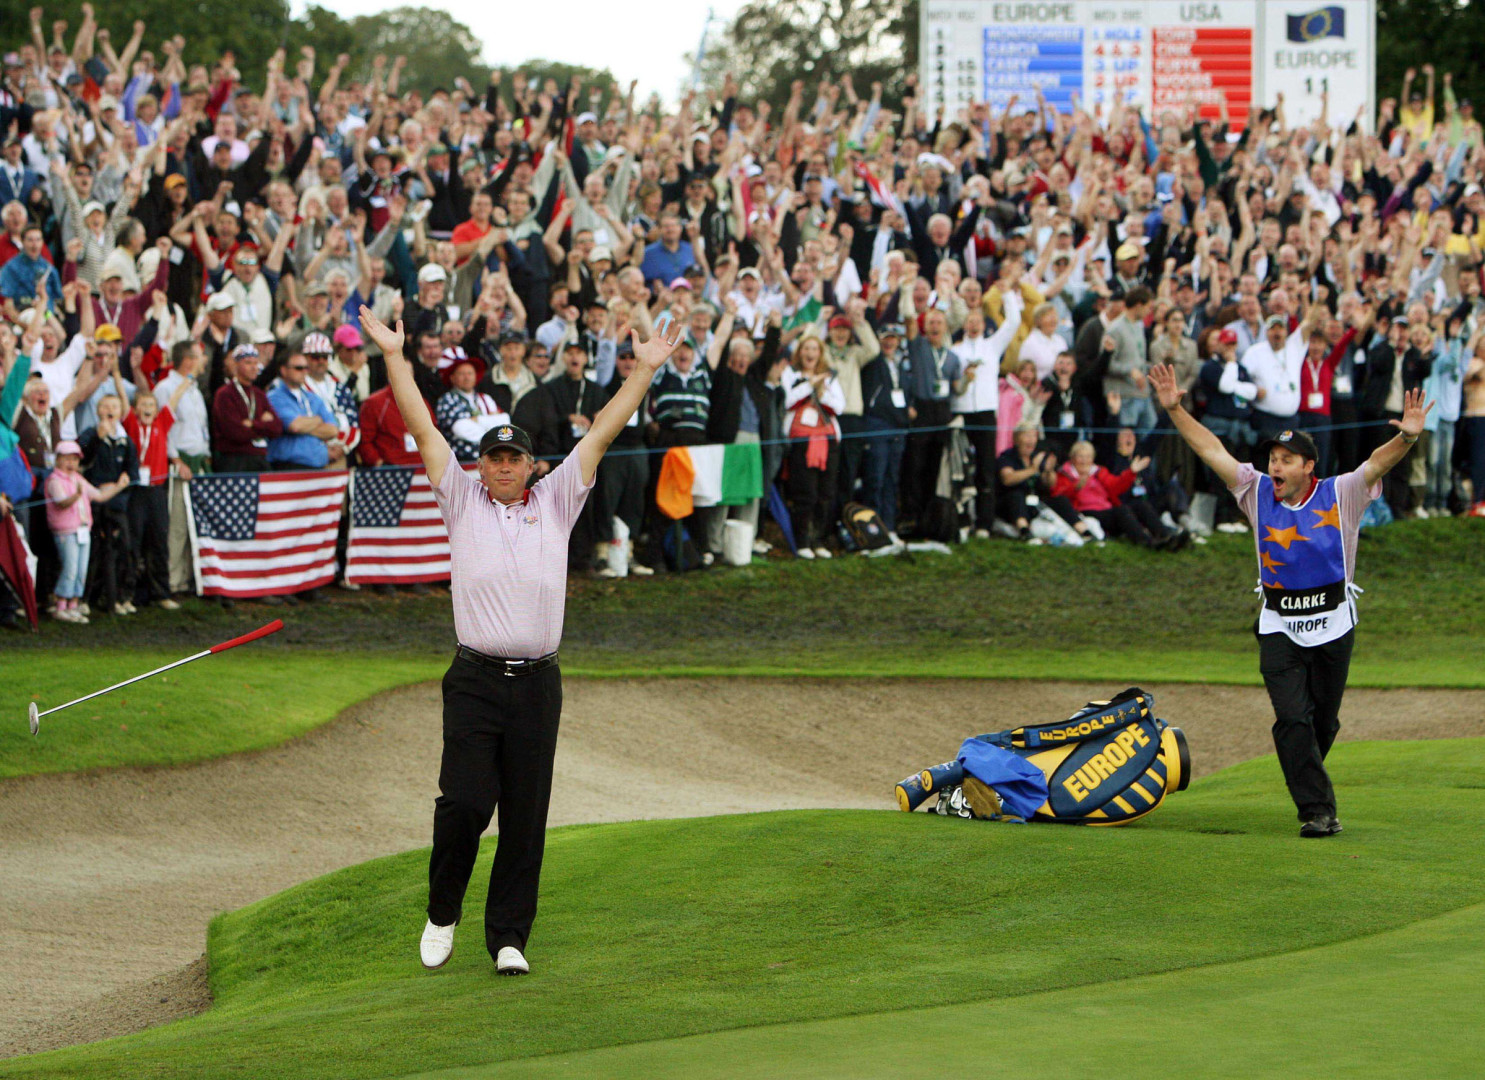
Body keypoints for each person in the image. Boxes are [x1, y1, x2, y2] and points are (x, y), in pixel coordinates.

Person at [355, 303, 683, 977]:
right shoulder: (460, 498)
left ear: (533, 467)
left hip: (538, 682)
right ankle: (442, 912)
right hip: (475, 678)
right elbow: (420, 426)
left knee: (526, 817)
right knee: (467, 804)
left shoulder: (557, 501)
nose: (503, 467)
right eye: (493, 458)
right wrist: (393, 357)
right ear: (479, 468)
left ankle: (508, 937)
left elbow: (602, 432)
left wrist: (645, 371)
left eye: (514, 458)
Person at [1150, 360, 1434, 837]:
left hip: (1335, 625)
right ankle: (1318, 811)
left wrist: (1406, 437)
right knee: (1291, 718)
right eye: (1272, 458)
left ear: (1308, 466)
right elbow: (1210, 448)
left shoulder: (1341, 492)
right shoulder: (1254, 490)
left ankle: (1305, 772)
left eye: (1284, 460)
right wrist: (1176, 410)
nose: (1273, 466)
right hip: (1278, 624)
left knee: (1323, 723)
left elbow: (1376, 464)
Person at [45, 439, 128, 623]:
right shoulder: (54, 480)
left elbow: (98, 495)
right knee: (70, 568)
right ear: (58, 459)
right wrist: (75, 495)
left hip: (82, 529)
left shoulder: (78, 479)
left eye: (74, 459)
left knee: (81, 570)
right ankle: (61, 604)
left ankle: (73, 604)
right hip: (66, 531)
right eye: (67, 459)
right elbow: (61, 502)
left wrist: (119, 486)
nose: (71, 463)